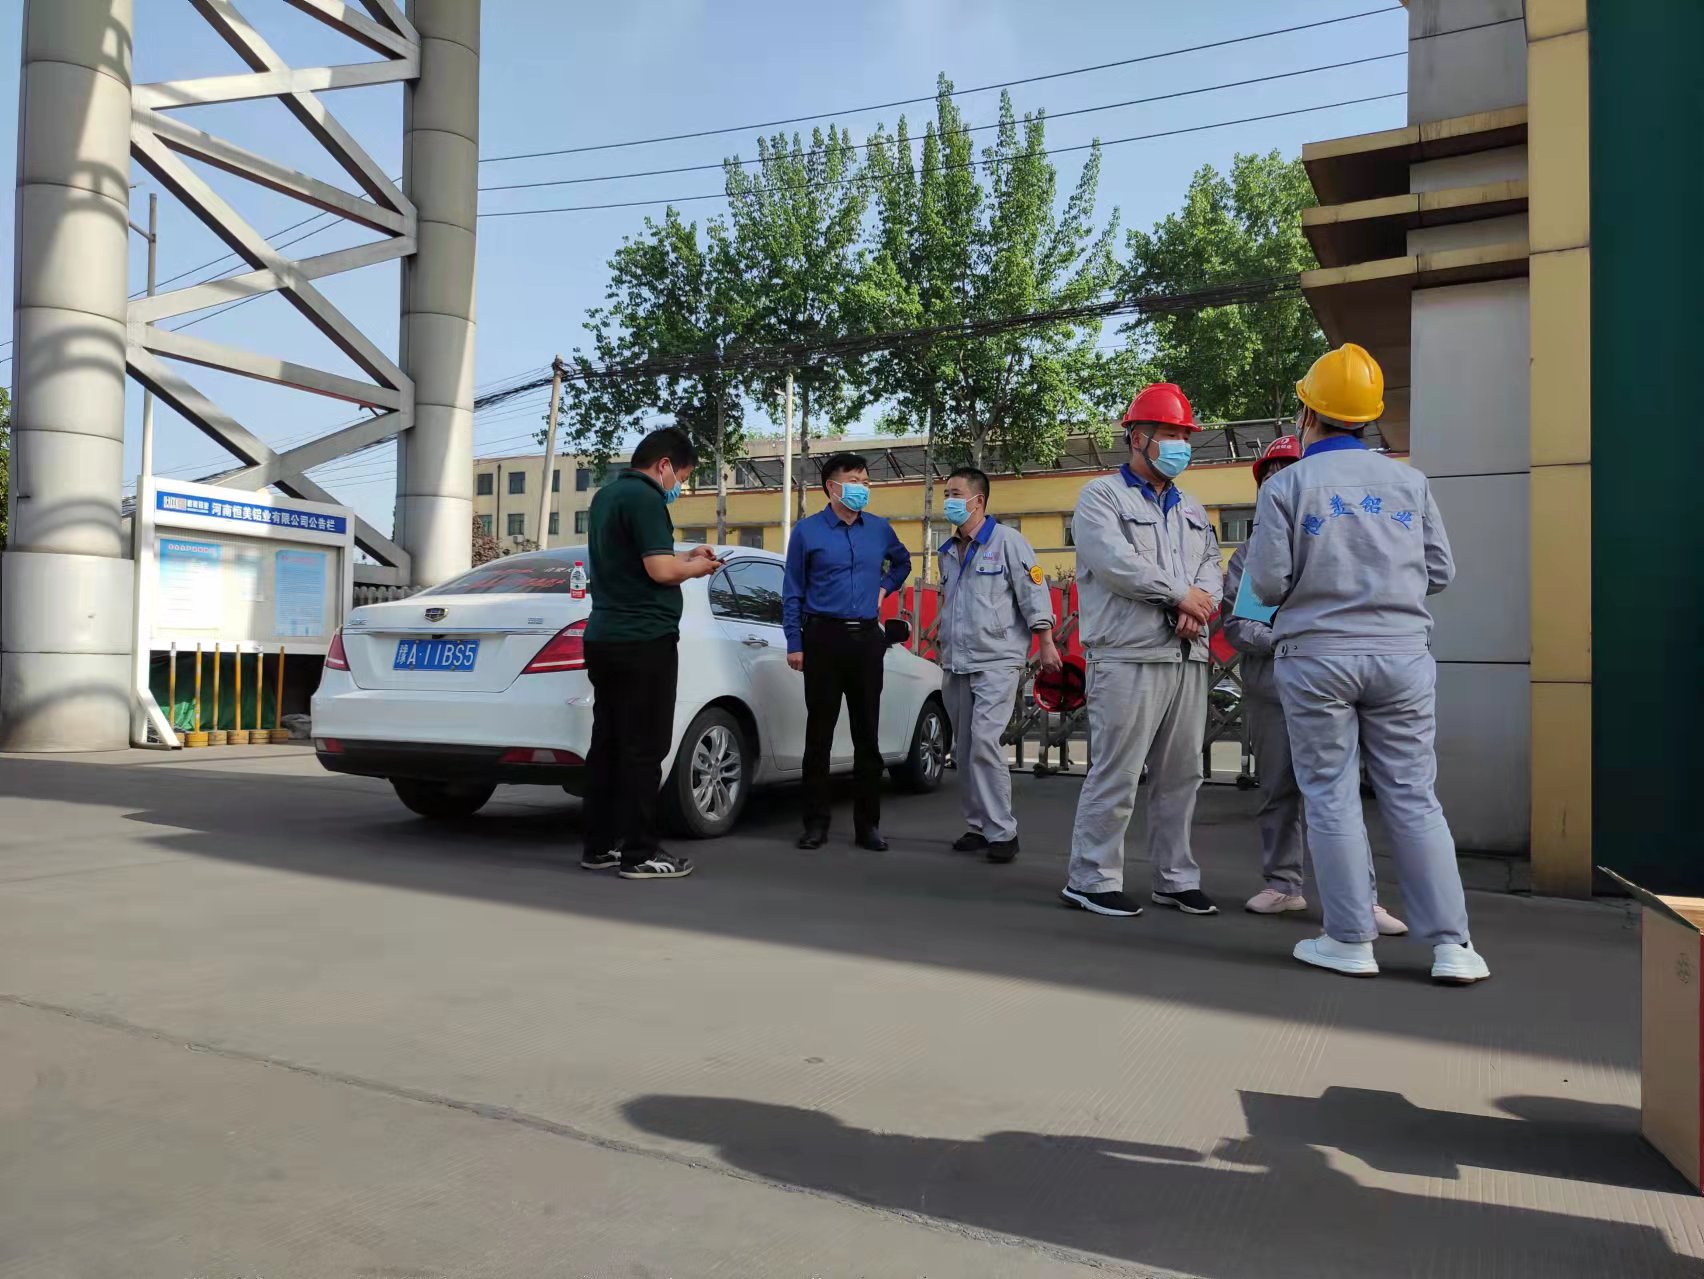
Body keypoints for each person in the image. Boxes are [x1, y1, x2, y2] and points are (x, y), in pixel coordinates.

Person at [1244, 342, 1489, 984]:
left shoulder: (1286, 486)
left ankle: (1350, 940)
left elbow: (1266, 583)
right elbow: (1440, 570)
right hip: (1401, 655)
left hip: (1317, 658)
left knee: (1330, 795)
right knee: (1413, 796)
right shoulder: (1410, 482)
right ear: (1369, 417)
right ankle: (1453, 946)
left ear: (1308, 413)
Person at [1223, 435, 1406, 936]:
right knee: (1279, 789)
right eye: (1271, 476)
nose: (1280, 483)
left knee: (1339, 793)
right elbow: (1239, 625)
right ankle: (1283, 883)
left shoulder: (1341, 544)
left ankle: (1362, 899)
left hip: (1332, 686)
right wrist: (1293, 642)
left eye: (1289, 472)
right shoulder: (1250, 556)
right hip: (1274, 688)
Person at [1060, 383, 1223, 919]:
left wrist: (1198, 604)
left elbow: (1211, 567)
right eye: (1170, 434)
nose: (1180, 446)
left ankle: (1175, 878)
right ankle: (1091, 878)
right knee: (1118, 772)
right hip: (1127, 655)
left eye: (1185, 436)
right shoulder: (1101, 497)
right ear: (1137, 437)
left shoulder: (1191, 507)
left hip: (1186, 655)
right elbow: (1115, 563)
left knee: (1181, 777)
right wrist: (1180, 596)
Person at [579, 427, 721, 880]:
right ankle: (640, 853)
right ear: (664, 465)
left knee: (608, 743)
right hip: (644, 637)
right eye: (683, 476)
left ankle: (599, 845)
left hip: (604, 635)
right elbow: (659, 571)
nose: (680, 486)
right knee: (645, 747)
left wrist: (685, 555)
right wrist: (698, 568)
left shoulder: (607, 496)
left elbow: (637, 559)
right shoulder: (647, 498)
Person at [784, 453, 913, 851]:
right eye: (854, 480)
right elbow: (792, 591)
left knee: (867, 735)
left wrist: (884, 588)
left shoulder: (879, 529)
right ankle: (815, 824)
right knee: (819, 735)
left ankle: (868, 826)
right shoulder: (807, 532)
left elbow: (902, 563)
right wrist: (794, 642)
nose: (862, 487)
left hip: (866, 640)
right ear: (832, 486)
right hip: (822, 638)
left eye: (866, 481)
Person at [935, 467, 1063, 864]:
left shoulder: (1008, 542)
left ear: (978, 501)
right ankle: (978, 825)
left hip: (997, 660)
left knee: (985, 743)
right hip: (957, 661)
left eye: (956, 493)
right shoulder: (947, 551)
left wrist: (1045, 643)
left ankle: (1003, 831)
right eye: (946, 493)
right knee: (963, 747)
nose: (949, 501)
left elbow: (1034, 593)